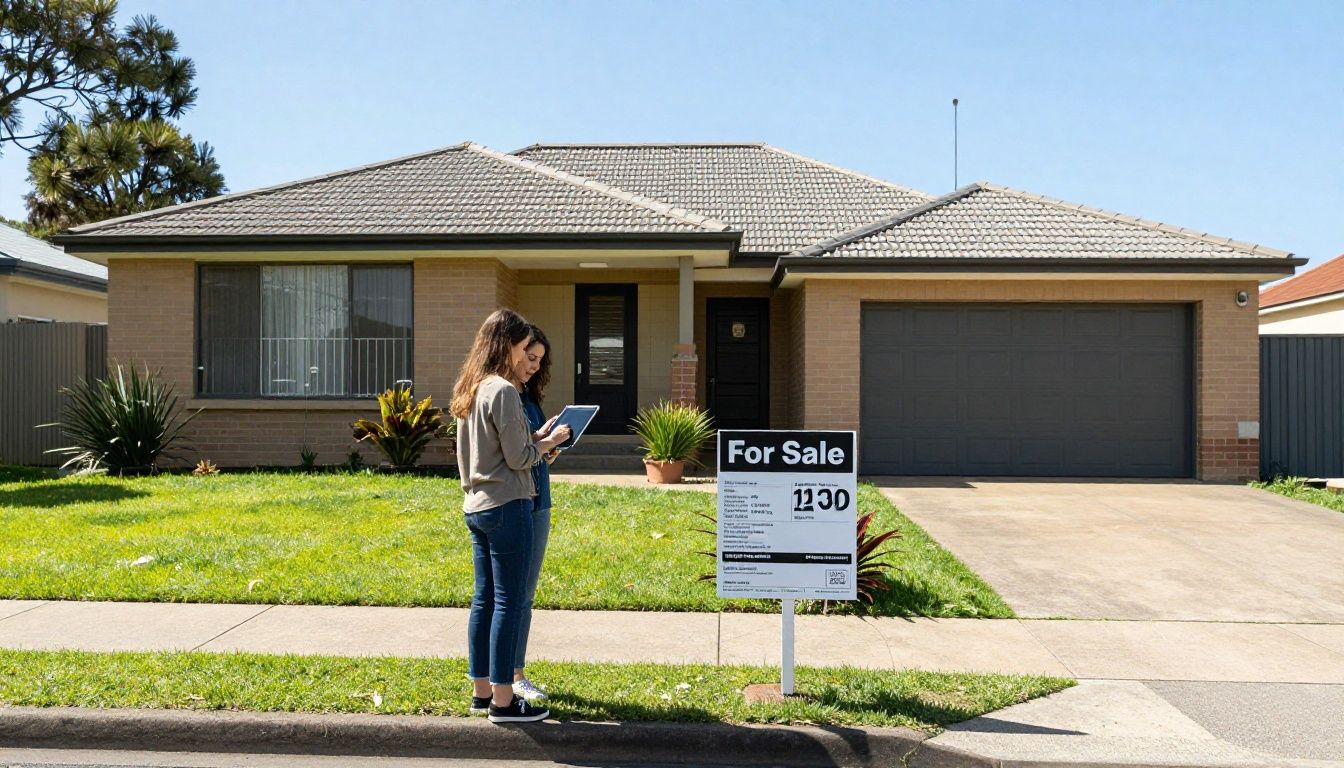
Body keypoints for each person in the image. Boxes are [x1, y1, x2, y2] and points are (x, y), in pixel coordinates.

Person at [450, 309, 570, 724]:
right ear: (505, 345)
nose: (526, 356)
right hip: (508, 506)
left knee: (484, 601)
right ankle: (504, 702)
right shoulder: (502, 390)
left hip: (477, 505)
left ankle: (481, 692)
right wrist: (550, 440)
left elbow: (494, 450)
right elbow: (519, 458)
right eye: (522, 348)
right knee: (509, 602)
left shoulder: (471, 387)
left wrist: (536, 438)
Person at [512, 324, 559, 702]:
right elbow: (512, 453)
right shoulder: (502, 396)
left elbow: (529, 447)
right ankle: (512, 675)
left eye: (539, 361)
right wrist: (542, 444)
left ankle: (512, 672)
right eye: (530, 357)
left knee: (525, 593)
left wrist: (548, 447)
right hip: (517, 502)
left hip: (539, 499)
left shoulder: (526, 395)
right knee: (511, 594)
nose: (533, 366)